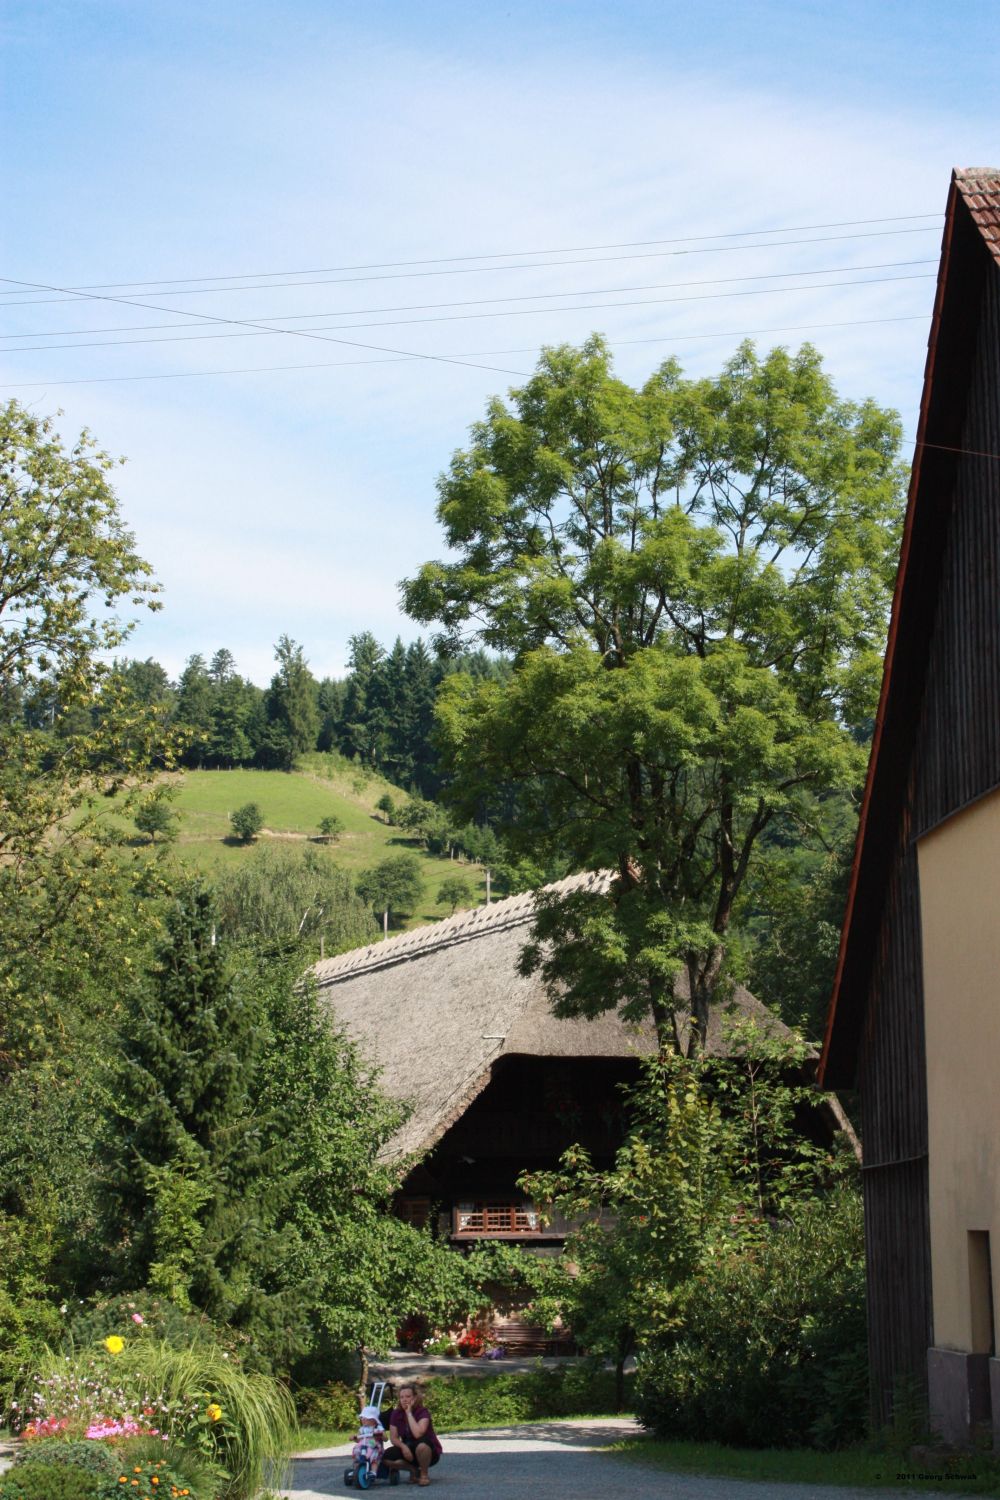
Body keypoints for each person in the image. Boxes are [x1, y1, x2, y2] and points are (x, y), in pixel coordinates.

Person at [383, 1383, 442, 1486]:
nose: (404, 1399)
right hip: (408, 1447)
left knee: (422, 1446)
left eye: (408, 1396)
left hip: (427, 1450)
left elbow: (418, 1434)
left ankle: (424, 1475)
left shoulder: (423, 1412)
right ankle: (414, 1470)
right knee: (385, 1457)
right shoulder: (396, 1414)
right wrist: (403, 1447)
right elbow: (393, 1438)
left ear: (415, 1398)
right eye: (401, 1397)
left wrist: (409, 1413)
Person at [351, 1404, 385, 1478]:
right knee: (357, 1451)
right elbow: (359, 1439)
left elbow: (385, 1438)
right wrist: (354, 1438)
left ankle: (373, 1471)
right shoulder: (362, 1429)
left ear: (373, 1419)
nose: (362, 1419)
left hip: (374, 1446)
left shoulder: (378, 1427)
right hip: (363, 1445)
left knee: (374, 1456)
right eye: (362, 1417)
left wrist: (380, 1434)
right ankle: (357, 1470)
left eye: (365, 1418)